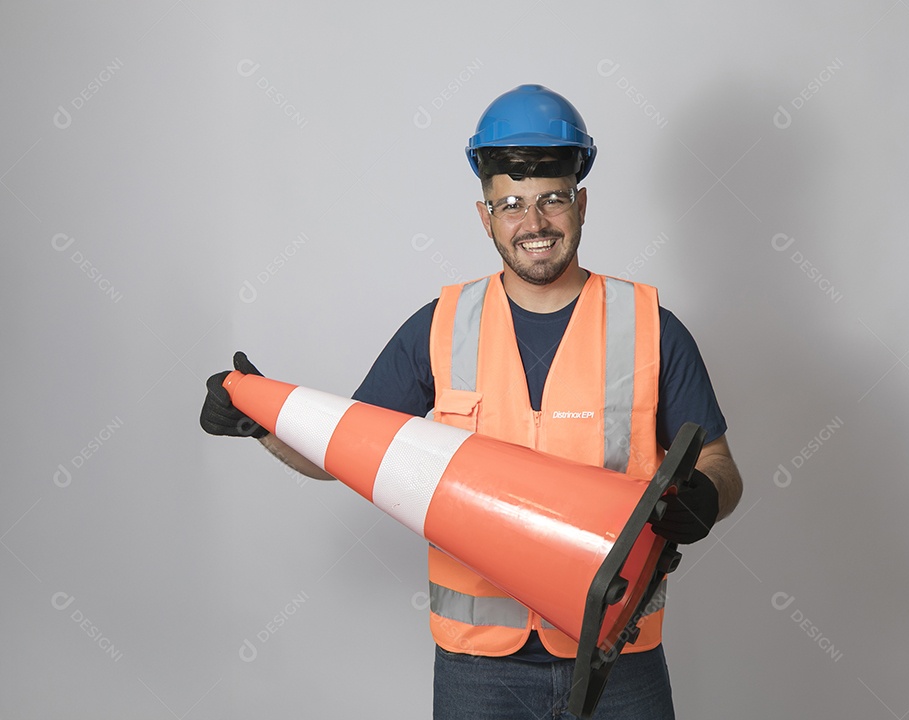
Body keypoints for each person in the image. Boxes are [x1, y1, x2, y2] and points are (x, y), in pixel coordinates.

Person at [201, 84, 743, 719]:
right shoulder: (441, 326)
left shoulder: (651, 326)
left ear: (583, 203)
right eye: (510, 204)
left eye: (552, 200)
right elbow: (339, 453)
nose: (534, 224)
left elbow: (719, 467)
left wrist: (705, 498)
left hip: (618, 654)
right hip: (479, 671)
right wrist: (260, 419)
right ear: (484, 217)